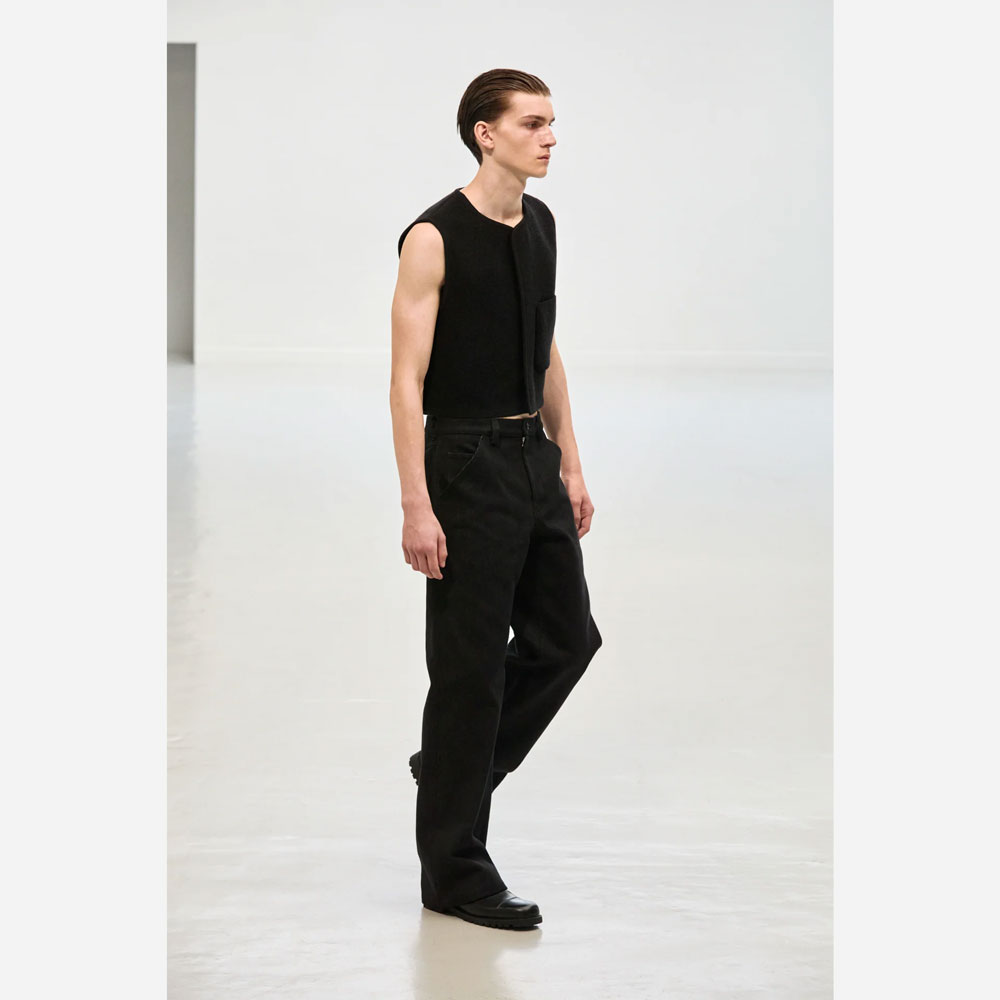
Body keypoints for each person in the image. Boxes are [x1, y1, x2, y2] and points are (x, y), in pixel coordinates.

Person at [389, 68, 603, 931]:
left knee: (568, 640)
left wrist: (571, 463)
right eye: (532, 123)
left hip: (531, 456)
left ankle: (450, 767)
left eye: (552, 123)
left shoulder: (541, 223)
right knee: (469, 672)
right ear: (486, 133)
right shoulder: (432, 237)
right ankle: (455, 876)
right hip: (466, 460)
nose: (550, 137)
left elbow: (546, 350)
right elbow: (406, 380)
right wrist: (416, 504)